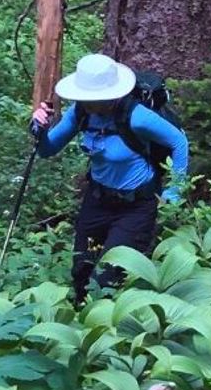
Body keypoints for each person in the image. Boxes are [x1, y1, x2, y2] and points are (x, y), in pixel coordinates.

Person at [30, 54, 190, 304]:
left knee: (106, 277)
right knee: (81, 270)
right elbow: (48, 150)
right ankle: (82, 325)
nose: (86, 101)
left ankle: (114, 329)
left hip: (136, 207)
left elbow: (178, 142)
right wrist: (39, 130)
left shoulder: (137, 116)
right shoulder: (81, 112)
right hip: (97, 201)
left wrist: (175, 190)